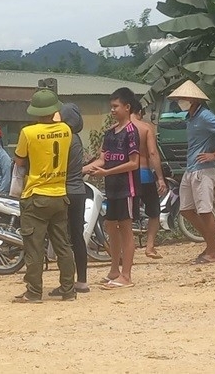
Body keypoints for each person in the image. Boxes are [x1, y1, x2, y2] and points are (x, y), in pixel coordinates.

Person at [10, 89, 76, 303]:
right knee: (63, 246)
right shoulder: (66, 130)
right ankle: (69, 290)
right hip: (60, 195)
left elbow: (19, 161)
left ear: (35, 111)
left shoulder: (28, 132)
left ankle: (34, 292)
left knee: (34, 247)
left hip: (36, 195)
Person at [168, 80, 215, 265]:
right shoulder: (191, 117)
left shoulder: (205, 115)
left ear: (192, 99)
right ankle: (211, 244)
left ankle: (211, 251)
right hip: (191, 168)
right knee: (186, 209)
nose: (180, 101)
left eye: (183, 98)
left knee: (205, 211)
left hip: (202, 170)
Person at [83, 88, 141, 289]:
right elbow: (102, 159)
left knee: (125, 229)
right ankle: (114, 269)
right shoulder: (109, 133)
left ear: (127, 107)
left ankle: (126, 275)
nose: (113, 110)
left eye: (116, 106)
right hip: (112, 188)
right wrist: (84, 169)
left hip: (127, 188)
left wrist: (107, 173)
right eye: (111, 107)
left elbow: (134, 163)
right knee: (110, 227)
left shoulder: (132, 132)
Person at [55, 103, 90, 293]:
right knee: (77, 237)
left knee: (63, 238)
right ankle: (82, 281)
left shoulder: (64, 137)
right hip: (79, 192)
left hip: (64, 192)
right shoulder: (76, 138)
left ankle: (66, 284)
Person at [132, 108, 169, 259]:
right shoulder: (146, 127)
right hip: (144, 174)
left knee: (126, 216)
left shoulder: (116, 129)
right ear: (139, 111)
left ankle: (128, 248)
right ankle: (150, 247)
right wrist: (160, 177)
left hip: (126, 176)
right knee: (154, 212)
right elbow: (153, 153)